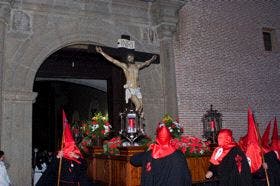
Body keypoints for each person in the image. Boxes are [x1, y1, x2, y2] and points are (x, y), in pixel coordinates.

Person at [96, 46, 157, 114]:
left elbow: (146, 63)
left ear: (133, 58)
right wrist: (102, 52)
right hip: (131, 89)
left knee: (141, 107)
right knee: (138, 105)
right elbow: (113, 60)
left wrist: (152, 59)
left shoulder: (137, 66)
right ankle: (132, 118)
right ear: (127, 59)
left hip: (137, 89)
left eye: (132, 57)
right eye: (129, 57)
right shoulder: (125, 66)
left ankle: (137, 121)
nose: (130, 58)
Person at [36, 120, 95, 186]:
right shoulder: (59, 154)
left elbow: (84, 167)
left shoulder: (77, 154)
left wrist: (77, 157)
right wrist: (57, 158)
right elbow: (51, 169)